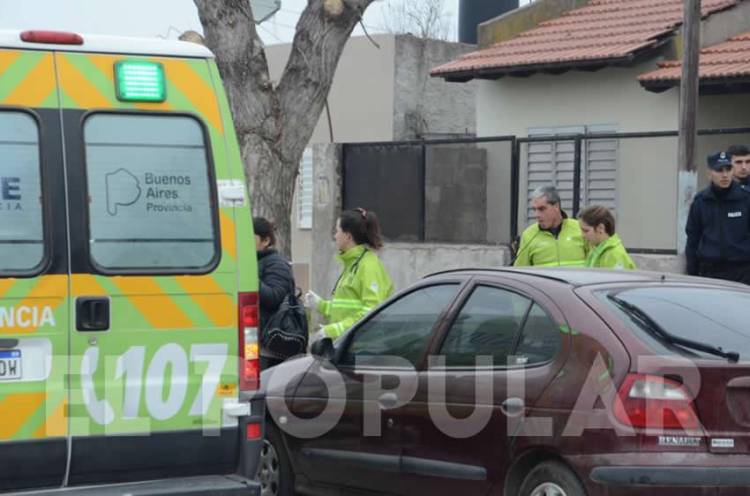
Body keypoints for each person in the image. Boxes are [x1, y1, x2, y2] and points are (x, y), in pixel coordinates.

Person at [305, 208, 394, 340]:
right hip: (349, 344)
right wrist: (320, 304)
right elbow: (345, 308)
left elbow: (371, 312)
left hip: (362, 348)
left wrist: (334, 330)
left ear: (348, 236)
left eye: (337, 231)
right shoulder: (353, 264)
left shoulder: (368, 266)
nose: (335, 236)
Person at [685, 151, 750, 283]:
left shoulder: (745, 199)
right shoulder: (701, 201)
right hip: (710, 272)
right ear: (709, 173)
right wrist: (692, 272)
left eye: (728, 169)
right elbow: (693, 238)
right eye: (719, 170)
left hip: (742, 272)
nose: (725, 175)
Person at [254, 217, 295, 369]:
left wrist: (249, 280)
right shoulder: (257, 261)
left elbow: (274, 296)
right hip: (259, 341)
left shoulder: (276, 263)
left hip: (270, 347)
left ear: (265, 241)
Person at [513, 185, 587, 267]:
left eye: (542, 209)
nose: (537, 215)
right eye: (534, 209)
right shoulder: (529, 235)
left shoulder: (580, 228)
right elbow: (520, 272)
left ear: (556, 206)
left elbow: (596, 263)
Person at [578, 205, 636, 269]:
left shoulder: (614, 255)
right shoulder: (596, 249)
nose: (582, 235)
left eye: (586, 230)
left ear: (601, 228)